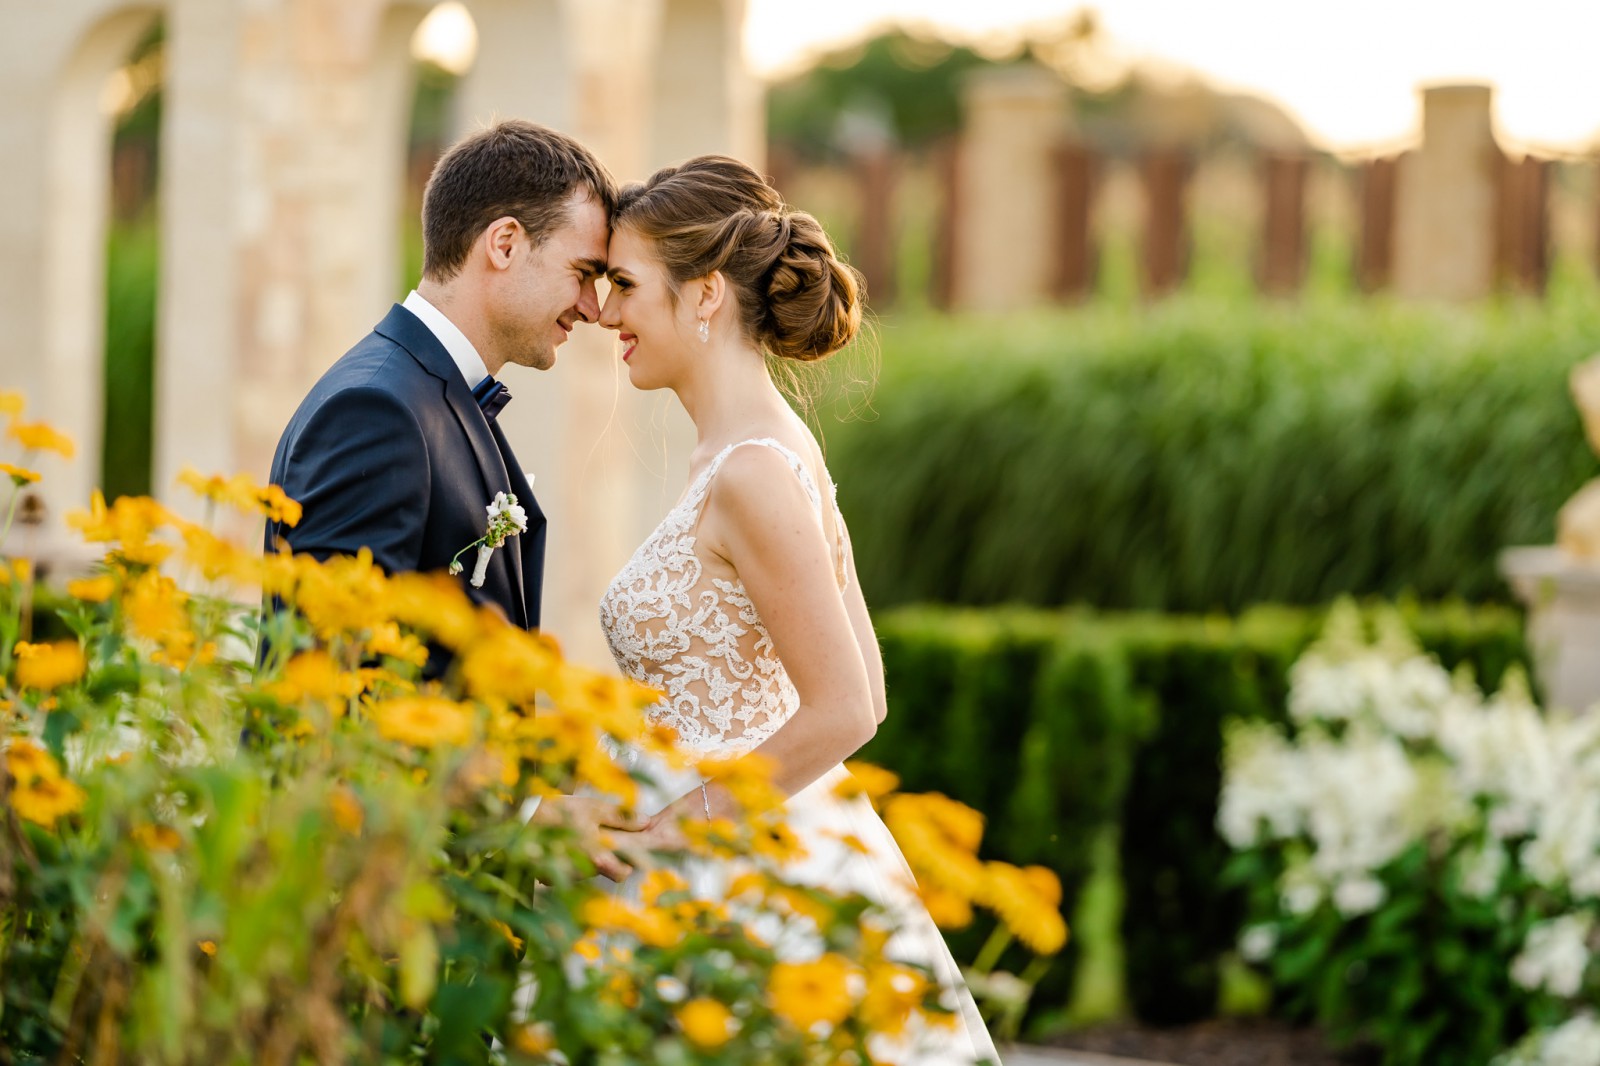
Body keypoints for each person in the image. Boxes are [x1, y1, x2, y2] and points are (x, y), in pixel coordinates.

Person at [595, 155, 1001, 1063]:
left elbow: (850, 706)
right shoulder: (768, 450)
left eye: (624, 285)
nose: (604, 313)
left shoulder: (753, 472)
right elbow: (870, 685)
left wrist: (675, 834)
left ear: (703, 296)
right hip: (735, 838)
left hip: (725, 864)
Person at [264, 119, 638, 880]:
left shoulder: (427, 394)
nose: (594, 309)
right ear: (503, 244)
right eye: (584, 272)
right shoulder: (378, 412)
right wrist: (526, 819)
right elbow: (332, 687)